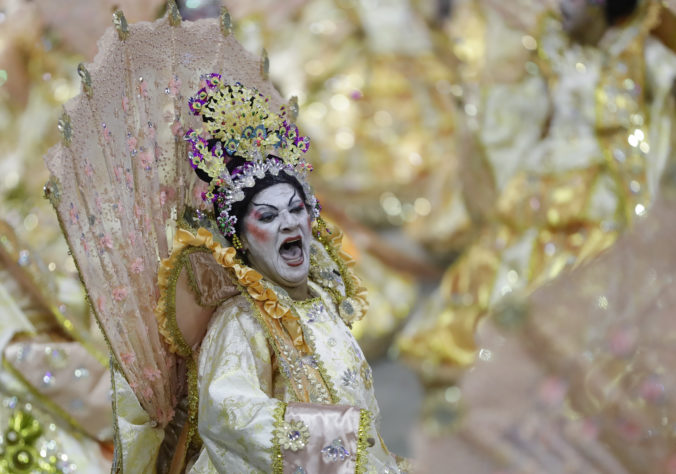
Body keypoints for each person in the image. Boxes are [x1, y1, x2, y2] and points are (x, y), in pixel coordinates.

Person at [44, 9, 409, 473]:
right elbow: (228, 411)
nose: (289, 224)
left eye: (296, 210)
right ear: (241, 239)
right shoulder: (244, 318)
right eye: (268, 216)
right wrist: (337, 442)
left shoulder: (317, 294)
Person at [397, 0, 676, 427]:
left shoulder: (643, 53)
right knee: (489, 288)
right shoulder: (551, 44)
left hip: (607, 206)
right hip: (538, 195)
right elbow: (517, 113)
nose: (561, 4)